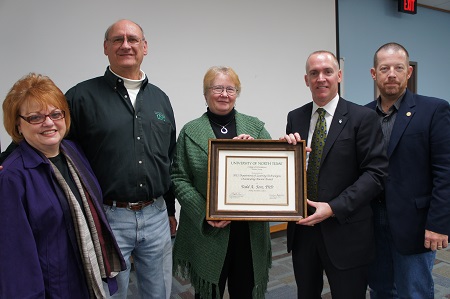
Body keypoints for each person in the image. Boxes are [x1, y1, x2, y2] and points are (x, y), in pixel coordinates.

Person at [64, 19, 177, 299]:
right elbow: (50, 137)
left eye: (133, 39)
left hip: (157, 215)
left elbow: (169, 158)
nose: (126, 45)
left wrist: (171, 211)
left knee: (159, 292)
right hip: (108, 217)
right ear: (106, 47)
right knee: (111, 294)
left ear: (144, 47)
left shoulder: (160, 99)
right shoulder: (81, 97)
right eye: (117, 39)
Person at [0, 73, 126, 298]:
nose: (49, 123)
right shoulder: (12, 177)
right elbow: (15, 259)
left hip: (84, 278)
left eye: (55, 113)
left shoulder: (72, 152)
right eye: (35, 117)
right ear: (18, 125)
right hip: (53, 289)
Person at [282, 51, 388, 298]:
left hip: (346, 229)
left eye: (328, 72)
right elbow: (294, 168)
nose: (321, 78)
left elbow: (376, 174)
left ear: (339, 76)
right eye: (314, 73)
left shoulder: (363, 117)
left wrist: (333, 207)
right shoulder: (295, 117)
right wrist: (284, 151)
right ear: (306, 80)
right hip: (303, 230)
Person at [171, 66, 272, 299]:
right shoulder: (190, 131)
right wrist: (206, 212)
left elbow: (272, 167)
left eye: (230, 88)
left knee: (244, 291)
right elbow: (178, 177)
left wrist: (255, 148)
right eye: (217, 88)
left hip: (248, 230)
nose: (224, 94)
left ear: (237, 93)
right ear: (206, 93)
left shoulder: (255, 127)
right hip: (209, 230)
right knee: (209, 293)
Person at [366, 42, 450, 298]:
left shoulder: (434, 110)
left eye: (398, 68)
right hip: (371, 220)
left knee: (414, 291)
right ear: (374, 74)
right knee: (380, 289)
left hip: (414, 222)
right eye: (384, 68)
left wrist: (439, 223)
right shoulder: (363, 114)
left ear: (408, 73)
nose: (391, 73)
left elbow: (445, 171)